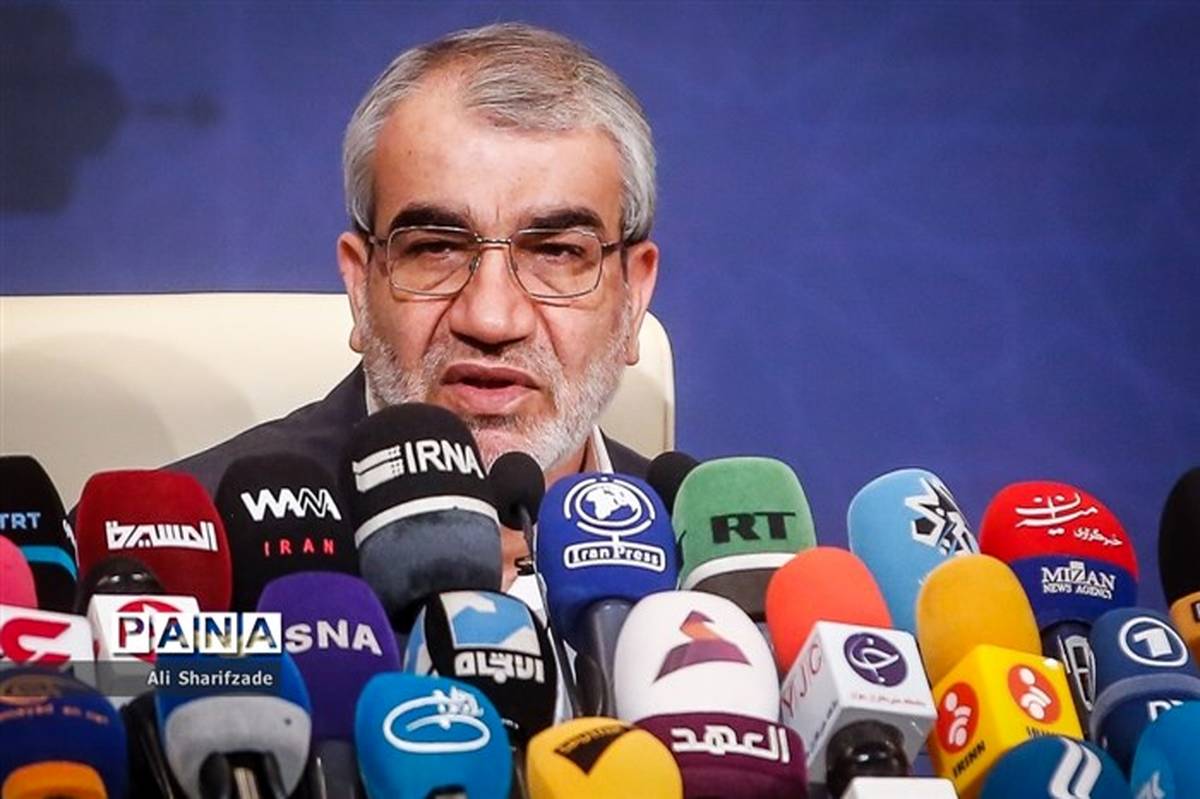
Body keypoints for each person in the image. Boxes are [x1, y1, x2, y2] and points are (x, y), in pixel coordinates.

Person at [170, 22, 662, 587]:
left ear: (633, 297)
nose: (490, 319)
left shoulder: (714, 572)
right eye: (435, 248)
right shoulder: (180, 562)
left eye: (555, 252)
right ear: (360, 286)